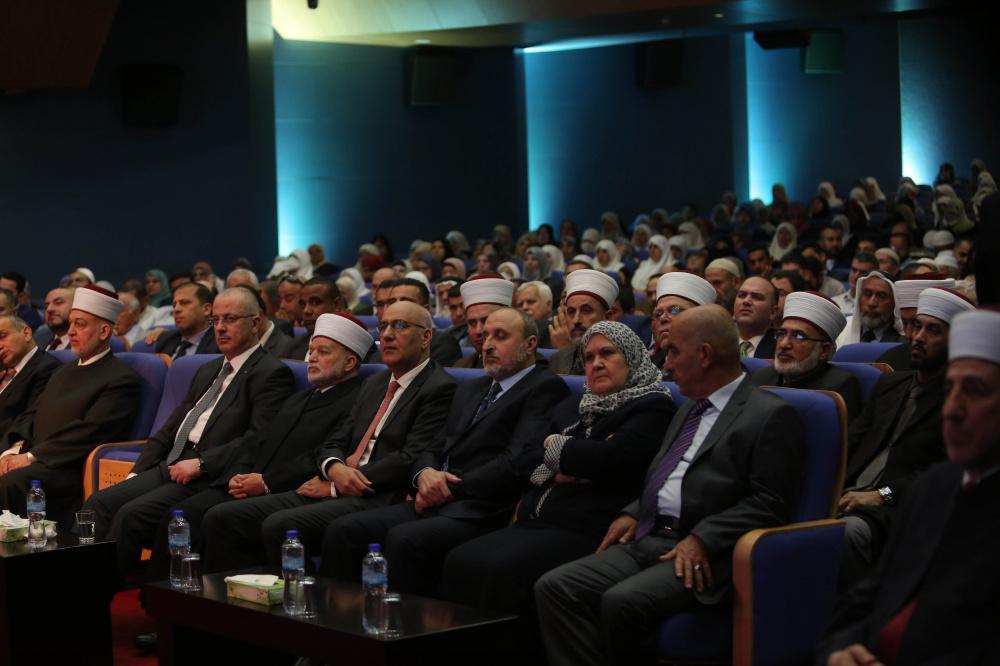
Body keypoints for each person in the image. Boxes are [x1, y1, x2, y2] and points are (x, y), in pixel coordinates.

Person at [534, 305, 806, 665]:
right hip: (650, 537)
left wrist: (703, 538)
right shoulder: (689, 407)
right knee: (555, 587)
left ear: (704, 355)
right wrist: (634, 511)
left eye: (674, 351)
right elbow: (663, 472)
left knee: (622, 602)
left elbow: (769, 503)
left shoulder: (769, 415)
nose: (668, 363)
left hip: (707, 552)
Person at [321, 308, 570, 595]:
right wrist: (424, 475)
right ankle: (341, 619)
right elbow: (435, 445)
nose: (488, 344)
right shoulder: (472, 388)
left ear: (530, 344)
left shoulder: (545, 388)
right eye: (485, 336)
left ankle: (402, 621)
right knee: (344, 530)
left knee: (405, 539)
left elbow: (516, 462)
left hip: (483, 508)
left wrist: (449, 488)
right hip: (434, 498)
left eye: (500, 336)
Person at [442, 320, 674, 622]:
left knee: (497, 569)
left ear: (630, 357)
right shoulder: (575, 404)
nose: (596, 363)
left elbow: (610, 459)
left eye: (607, 353)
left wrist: (555, 447)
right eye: (588, 357)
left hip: (586, 527)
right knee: (458, 559)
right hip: (536, 522)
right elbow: (526, 458)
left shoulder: (652, 406)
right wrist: (567, 463)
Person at [818, 309, 1000, 666]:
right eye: (949, 389)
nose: (952, 410)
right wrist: (839, 651)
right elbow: (866, 598)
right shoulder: (934, 487)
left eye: (975, 391)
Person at [84, 287, 296, 582]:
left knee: (131, 515)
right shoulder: (209, 368)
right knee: (98, 504)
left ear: (256, 323)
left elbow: (258, 438)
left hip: (207, 474)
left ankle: (111, 594)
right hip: (172, 463)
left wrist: (202, 463)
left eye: (230, 319)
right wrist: (137, 472)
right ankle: (77, 580)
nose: (220, 327)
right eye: (215, 320)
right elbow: (171, 426)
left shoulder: (270, 373)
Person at [142, 313, 369, 582]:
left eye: (323, 352)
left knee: (217, 517)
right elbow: (258, 440)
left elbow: (318, 456)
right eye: (311, 350)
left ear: (349, 362)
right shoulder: (301, 398)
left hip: (289, 487)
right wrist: (236, 476)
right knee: (181, 514)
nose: (312, 358)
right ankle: (167, 597)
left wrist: (265, 483)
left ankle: (220, 598)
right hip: (254, 479)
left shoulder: (356, 401)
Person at [244, 300, 457, 568]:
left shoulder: (439, 387)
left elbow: (409, 457)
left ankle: (310, 593)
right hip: (338, 479)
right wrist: (333, 467)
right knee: (230, 515)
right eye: (383, 326)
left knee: (280, 525)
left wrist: (337, 485)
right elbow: (337, 439)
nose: (387, 335)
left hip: (379, 493)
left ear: (426, 337)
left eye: (399, 326)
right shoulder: (375, 383)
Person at [835, 287, 975, 587]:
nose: (917, 337)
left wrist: (882, 495)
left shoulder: (960, 401)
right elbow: (849, 444)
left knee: (844, 534)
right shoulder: (890, 384)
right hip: (848, 494)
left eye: (933, 330)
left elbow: (945, 473)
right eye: (916, 326)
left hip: (899, 508)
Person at [0, 286, 140, 521]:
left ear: (104, 331)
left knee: (10, 482)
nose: (71, 331)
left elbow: (90, 432)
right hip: (38, 458)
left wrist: (30, 457)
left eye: (80, 324)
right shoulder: (62, 371)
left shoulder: (121, 379)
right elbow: (33, 414)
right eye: (72, 323)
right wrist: (13, 451)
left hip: (70, 467)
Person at [750, 291, 862, 421]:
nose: (784, 344)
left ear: (824, 350)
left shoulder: (839, 387)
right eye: (781, 333)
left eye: (799, 336)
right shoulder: (761, 377)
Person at [369, 278, 462, 367]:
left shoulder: (443, 344)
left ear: (426, 310)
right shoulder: (384, 345)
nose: (398, 306)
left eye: (406, 302)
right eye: (392, 302)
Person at [547, 269, 619, 375]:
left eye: (586, 311)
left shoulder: (622, 359)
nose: (576, 320)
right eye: (571, 312)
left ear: (608, 317)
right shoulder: (557, 359)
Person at [0, 315, 60, 437]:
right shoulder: (4, 371)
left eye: (2, 336)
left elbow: (27, 422)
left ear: (26, 333)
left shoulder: (48, 368)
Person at [649, 272, 717, 374]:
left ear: (702, 320)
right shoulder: (647, 367)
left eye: (675, 310)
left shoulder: (716, 371)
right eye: (658, 313)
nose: (663, 318)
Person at [452, 275, 514, 369]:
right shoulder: (460, 367)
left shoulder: (530, 367)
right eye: (472, 323)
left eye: (486, 321)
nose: (478, 331)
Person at [146, 283, 219, 358]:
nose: (176, 309)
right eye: (174, 305)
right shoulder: (166, 339)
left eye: (185, 303)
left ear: (206, 309)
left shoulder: (220, 342)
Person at [283, 277, 347, 360]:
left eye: (315, 302)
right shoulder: (291, 347)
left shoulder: (353, 347)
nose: (306, 311)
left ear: (337, 305)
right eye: (303, 304)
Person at [836, 272, 903, 346]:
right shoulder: (842, 330)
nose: (872, 303)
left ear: (894, 303)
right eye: (867, 294)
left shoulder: (904, 341)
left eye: (881, 296)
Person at [733, 276, 778, 359]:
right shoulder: (718, 341)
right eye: (741, 295)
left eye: (757, 297)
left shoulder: (779, 348)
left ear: (773, 312)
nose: (746, 301)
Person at [34, 287, 75, 351]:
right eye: (46, 306)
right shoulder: (39, 337)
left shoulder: (86, 345)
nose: (49, 309)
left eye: (58, 303)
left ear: (75, 307)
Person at [515, 281, 554, 347]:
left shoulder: (559, 329)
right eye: (520, 304)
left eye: (530, 302)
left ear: (548, 305)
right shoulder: (515, 331)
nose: (524, 307)